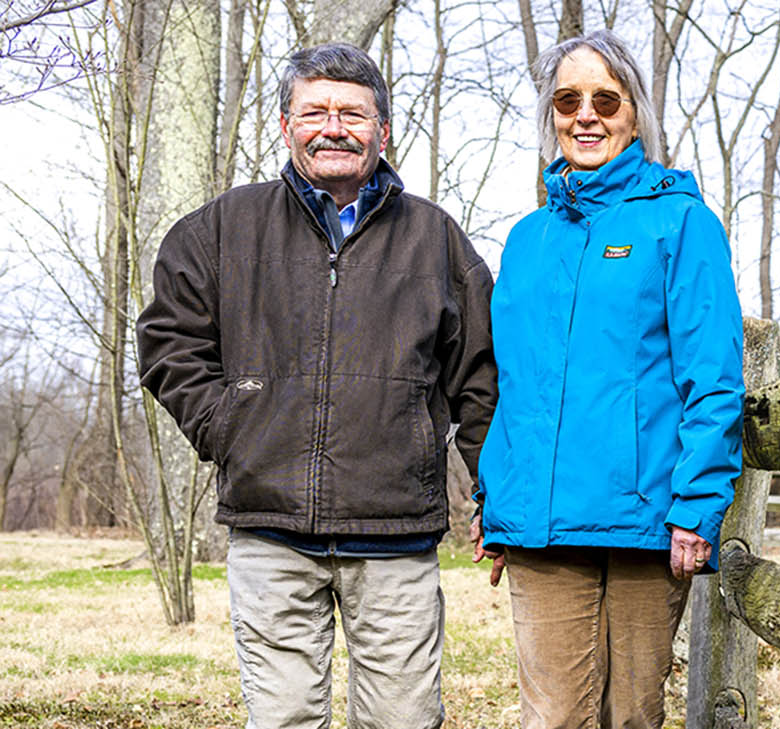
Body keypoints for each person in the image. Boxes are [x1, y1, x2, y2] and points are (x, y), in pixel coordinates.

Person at [137, 42, 496, 729]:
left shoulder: (436, 240)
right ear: (284, 124)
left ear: (382, 131)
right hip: (270, 530)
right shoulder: (221, 229)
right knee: (284, 721)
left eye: (353, 114)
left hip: (394, 531)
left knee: (404, 719)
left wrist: (491, 490)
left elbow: (479, 376)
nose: (334, 127)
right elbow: (167, 342)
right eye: (315, 112)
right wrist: (231, 425)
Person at [470, 29, 744, 729]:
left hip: (646, 525)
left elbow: (713, 379)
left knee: (632, 717)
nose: (585, 114)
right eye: (568, 99)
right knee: (552, 718)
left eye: (604, 98)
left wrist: (696, 505)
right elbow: (512, 385)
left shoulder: (681, 223)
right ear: (550, 114)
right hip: (540, 536)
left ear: (634, 113)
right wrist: (498, 500)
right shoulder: (527, 240)